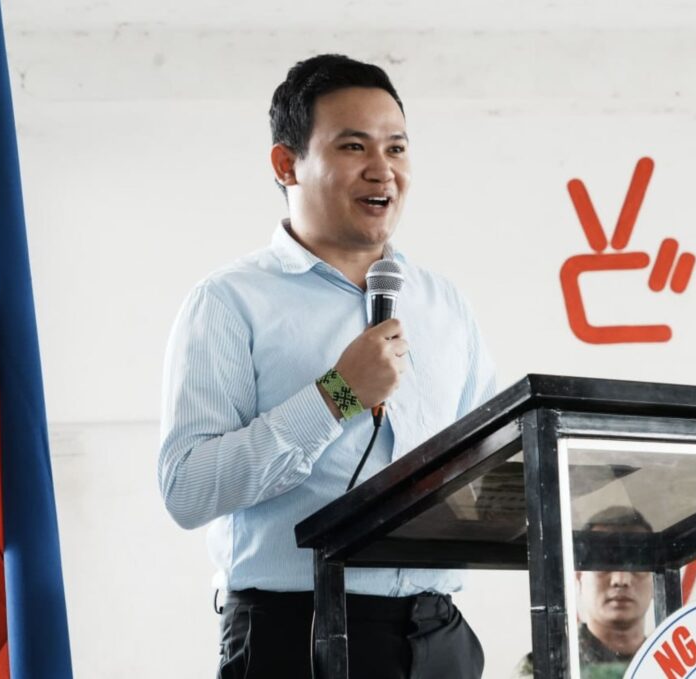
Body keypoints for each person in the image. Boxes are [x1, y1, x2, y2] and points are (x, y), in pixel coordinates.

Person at [158, 54, 495, 679]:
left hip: (438, 636)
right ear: (287, 164)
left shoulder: (445, 305)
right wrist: (337, 395)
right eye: (353, 146)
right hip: (296, 635)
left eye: (397, 148)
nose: (383, 169)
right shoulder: (231, 302)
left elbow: (491, 468)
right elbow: (187, 490)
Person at [512, 508, 655, 678]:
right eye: (604, 563)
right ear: (579, 576)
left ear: (654, 577)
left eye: (637, 564)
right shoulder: (546, 668)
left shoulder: (679, 664)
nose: (621, 579)